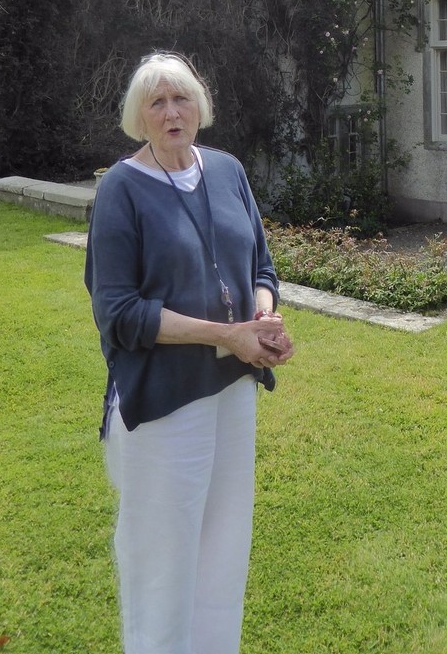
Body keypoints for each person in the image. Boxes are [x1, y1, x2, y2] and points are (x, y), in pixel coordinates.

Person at [85, 51, 294, 654]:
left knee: (225, 548)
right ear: (139, 117)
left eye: (181, 99)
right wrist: (223, 336)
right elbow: (119, 313)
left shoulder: (227, 170)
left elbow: (261, 265)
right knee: (163, 558)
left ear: (199, 106)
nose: (172, 112)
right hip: (165, 399)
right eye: (157, 102)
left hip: (232, 390)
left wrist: (260, 315)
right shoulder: (122, 190)